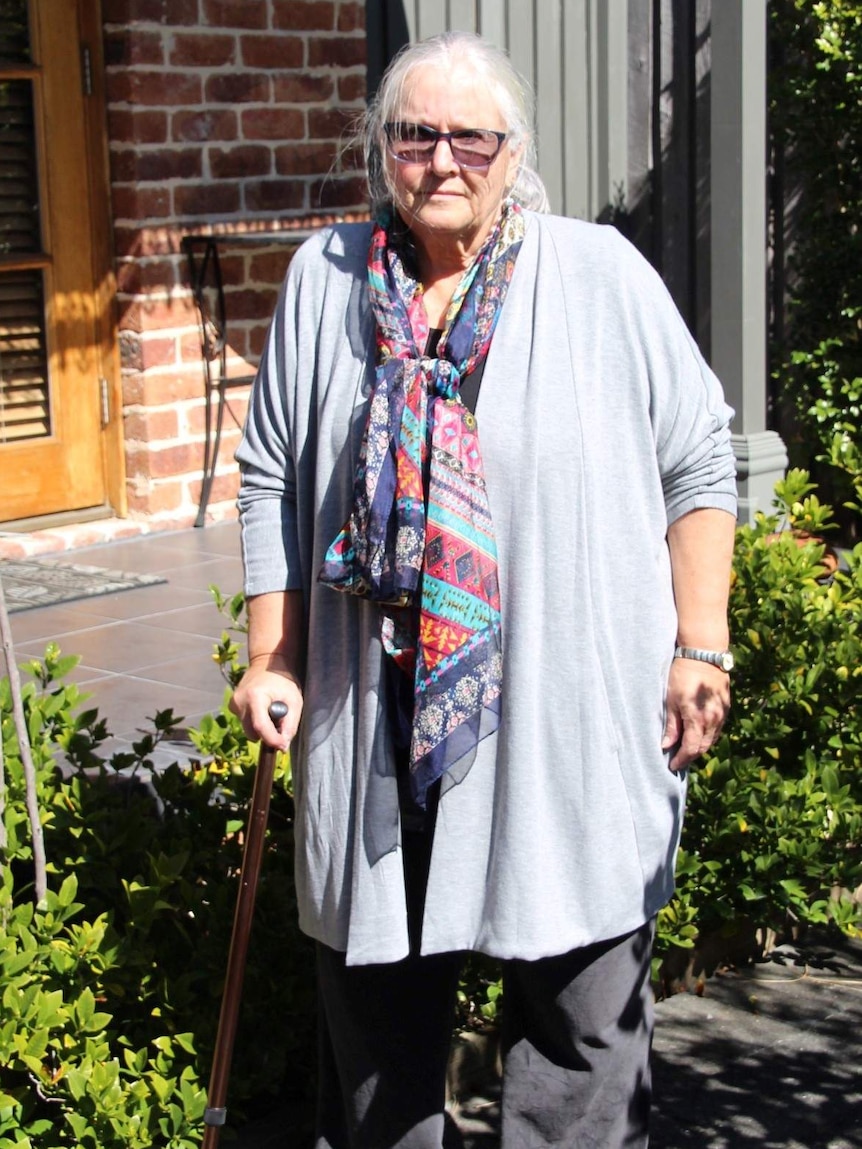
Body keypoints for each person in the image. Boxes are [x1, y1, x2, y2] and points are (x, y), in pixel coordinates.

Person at [230, 30, 737, 1149]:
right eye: (416, 134)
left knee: (578, 1019)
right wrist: (273, 654)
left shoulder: (598, 274)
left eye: (472, 136)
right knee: (378, 1038)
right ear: (382, 152)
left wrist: (700, 647)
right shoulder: (324, 281)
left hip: (565, 711)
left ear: (513, 155)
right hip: (376, 715)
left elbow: (699, 458)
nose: (443, 159)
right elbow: (270, 469)